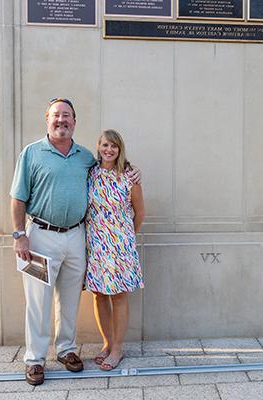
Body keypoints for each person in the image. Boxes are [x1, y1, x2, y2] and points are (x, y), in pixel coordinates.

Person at [10, 98, 140, 385]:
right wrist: (19, 236)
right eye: (56, 115)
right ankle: (34, 359)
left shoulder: (85, 157)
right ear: (47, 119)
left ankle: (66, 350)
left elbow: (111, 170)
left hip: (76, 237)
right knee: (38, 302)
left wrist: (132, 170)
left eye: (67, 116)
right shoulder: (31, 154)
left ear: (75, 121)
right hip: (39, 238)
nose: (62, 120)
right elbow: (18, 198)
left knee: (69, 299)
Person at [85, 129, 145, 370]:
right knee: (99, 294)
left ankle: (118, 349)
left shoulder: (129, 177)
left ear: (120, 150)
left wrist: (127, 237)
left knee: (119, 295)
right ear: (98, 147)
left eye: (114, 146)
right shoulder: (90, 174)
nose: (109, 150)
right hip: (96, 245)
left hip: (120, 246)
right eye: (105, 145)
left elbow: (140, 213)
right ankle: (106, 343)